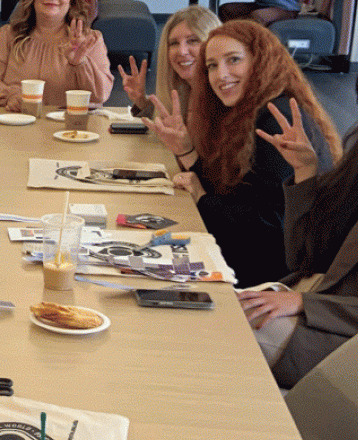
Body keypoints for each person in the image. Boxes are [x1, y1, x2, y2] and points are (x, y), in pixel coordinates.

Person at [238, 41, 358, 388]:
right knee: (202, 311)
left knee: (222, 339)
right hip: (312, 307)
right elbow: (301, 258)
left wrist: (306, 304)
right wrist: (305, 173)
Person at [143, 20, 340, 286]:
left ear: (261, 62)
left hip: (263, 275)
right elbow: (236, 193)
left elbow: (268, 227)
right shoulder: (245, 111)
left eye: (233, 60)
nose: (221, 74)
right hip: (243, 254)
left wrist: (202, 199)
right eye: (212, 66)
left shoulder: (275, 118)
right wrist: (186, 151)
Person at [0, 0, 113, 110]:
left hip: (70, 129)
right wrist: (11, 96)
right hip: (16, 126)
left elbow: (101, 94)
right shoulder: (7, 36)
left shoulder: (90, 40)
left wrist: (80, 63)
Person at [118, 5, 220, 121]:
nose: (182, 51)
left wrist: (184, 140)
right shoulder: (184, 89)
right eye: (174, 43)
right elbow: (171, 121)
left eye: (193, 41)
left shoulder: (223, 97)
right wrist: (142, 101)